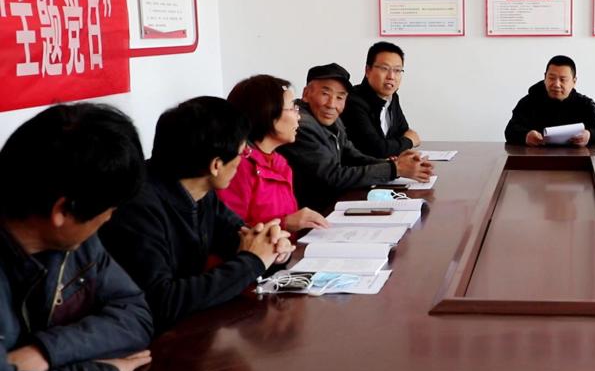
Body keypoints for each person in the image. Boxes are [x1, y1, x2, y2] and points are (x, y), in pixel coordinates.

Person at [0, 104, 153, 371]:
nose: (109, 219)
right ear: (62, 211)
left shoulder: (76, 243)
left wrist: (46, 351)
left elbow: (135, 313)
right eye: (108, 211)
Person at [100, 97, 292, 333]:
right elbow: (162, 300)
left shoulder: (200, 191)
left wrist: (273, 247)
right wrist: (253, 261)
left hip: (190, 328)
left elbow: (240, 238)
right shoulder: (137, 208)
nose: (244, 158)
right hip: (149, 340)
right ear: (216, 165)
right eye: (242, 153)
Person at [279, 63, 433, 212]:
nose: (332, 104)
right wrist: (395, 169)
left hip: (334, 205)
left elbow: (352, 156)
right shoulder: (301, 125)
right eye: (325, 94)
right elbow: (332, 176)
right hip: (313, 214)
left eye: (340, 97)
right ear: (306, 94)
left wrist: (394, 164)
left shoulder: (332, 119)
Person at [219, 74, 329, 232]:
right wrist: (285, 223)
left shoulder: (279, 162)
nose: (299, 116)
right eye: (292, 108)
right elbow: (228, 232)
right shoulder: (237, 166)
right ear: (267, 113)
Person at [504, 55, 595, 147]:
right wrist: (526, 136)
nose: (556, 84)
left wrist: (589, 135)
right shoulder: (529, 102)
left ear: (574, 81)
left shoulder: (585, 104)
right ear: (545, 77)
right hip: (536, 158)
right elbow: (510, 130)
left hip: (575, 158)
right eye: (552, 78)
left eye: (563, 80)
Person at [341, 41, 422, 158]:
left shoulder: (392, 97)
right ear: (368, 70)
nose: (391, 76)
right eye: (384, 68)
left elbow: (404, 131)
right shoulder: (353, 102)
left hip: (386, 166)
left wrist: (396, 146)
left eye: (397, 70)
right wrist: (409, 141)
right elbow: (376, 149)